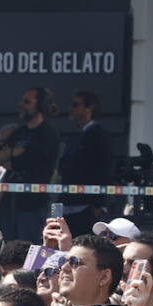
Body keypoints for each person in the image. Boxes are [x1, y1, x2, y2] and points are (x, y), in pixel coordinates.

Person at [0, 87, 61, 241]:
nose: (21, 105)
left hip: (32, 205)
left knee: (28, 251)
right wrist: (13, 153)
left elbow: (26, 161)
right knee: (6, 250)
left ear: (40, 105)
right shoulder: (19, 132)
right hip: (9, 203)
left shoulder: (47, 134)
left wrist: (11, 156)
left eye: (27, 101)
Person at [56, 90, 114, 234]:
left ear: (89, 108)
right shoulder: (75, 136)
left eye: (76, 105)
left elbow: (103, 169)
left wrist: (97, 203)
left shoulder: (99, 135)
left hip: (87, 206)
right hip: (68, 202)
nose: (71, 109)